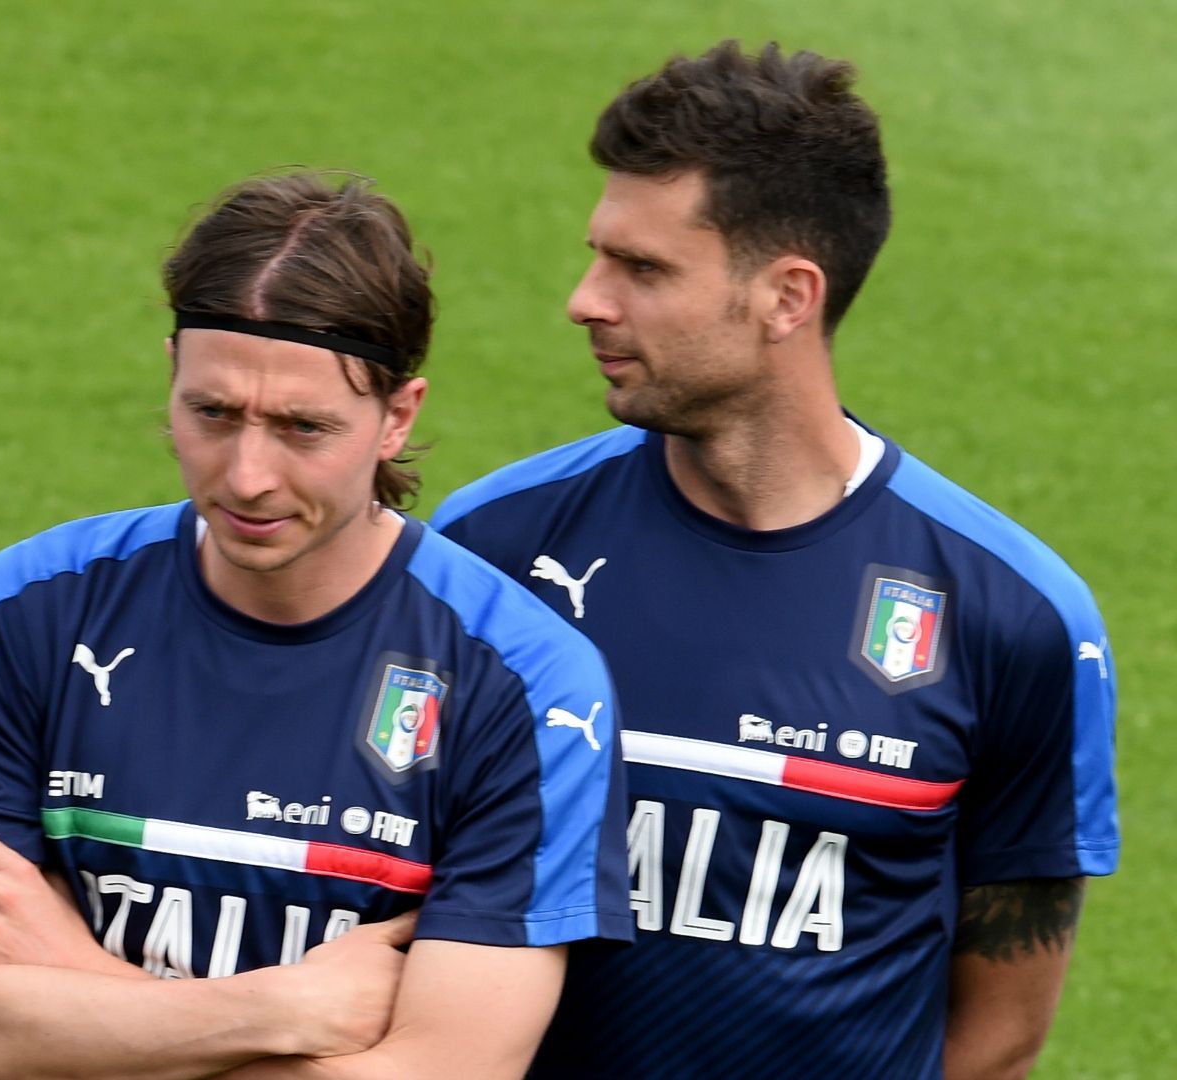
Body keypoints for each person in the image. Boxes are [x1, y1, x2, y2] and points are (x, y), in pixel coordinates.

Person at [433, 41, 1119, 1078]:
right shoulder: (493, 551)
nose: (586, 299)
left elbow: (1002, 1029)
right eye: (599, 255)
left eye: (643, 269)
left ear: (788, 297)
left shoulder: (1011, 616)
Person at [0, 172, 630, 1078]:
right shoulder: (32, 608)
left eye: (302, 429)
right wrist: (281, 1010)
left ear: (397, 417)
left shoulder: (522, 682)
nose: (246, 477)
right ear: (172, 372)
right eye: (213, 413)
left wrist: (75, 986)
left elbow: (446, 1069)